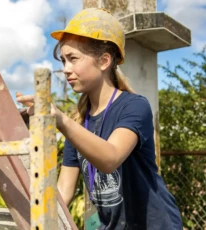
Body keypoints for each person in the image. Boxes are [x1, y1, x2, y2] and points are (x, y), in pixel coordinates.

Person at [17, 8, 183, 230]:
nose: (66, 69)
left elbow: (110, 158)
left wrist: (61, 121)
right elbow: (63, 194)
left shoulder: (134, 106)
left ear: (104, 61)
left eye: (73, 59)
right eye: (63, 60)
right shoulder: (79, 123)